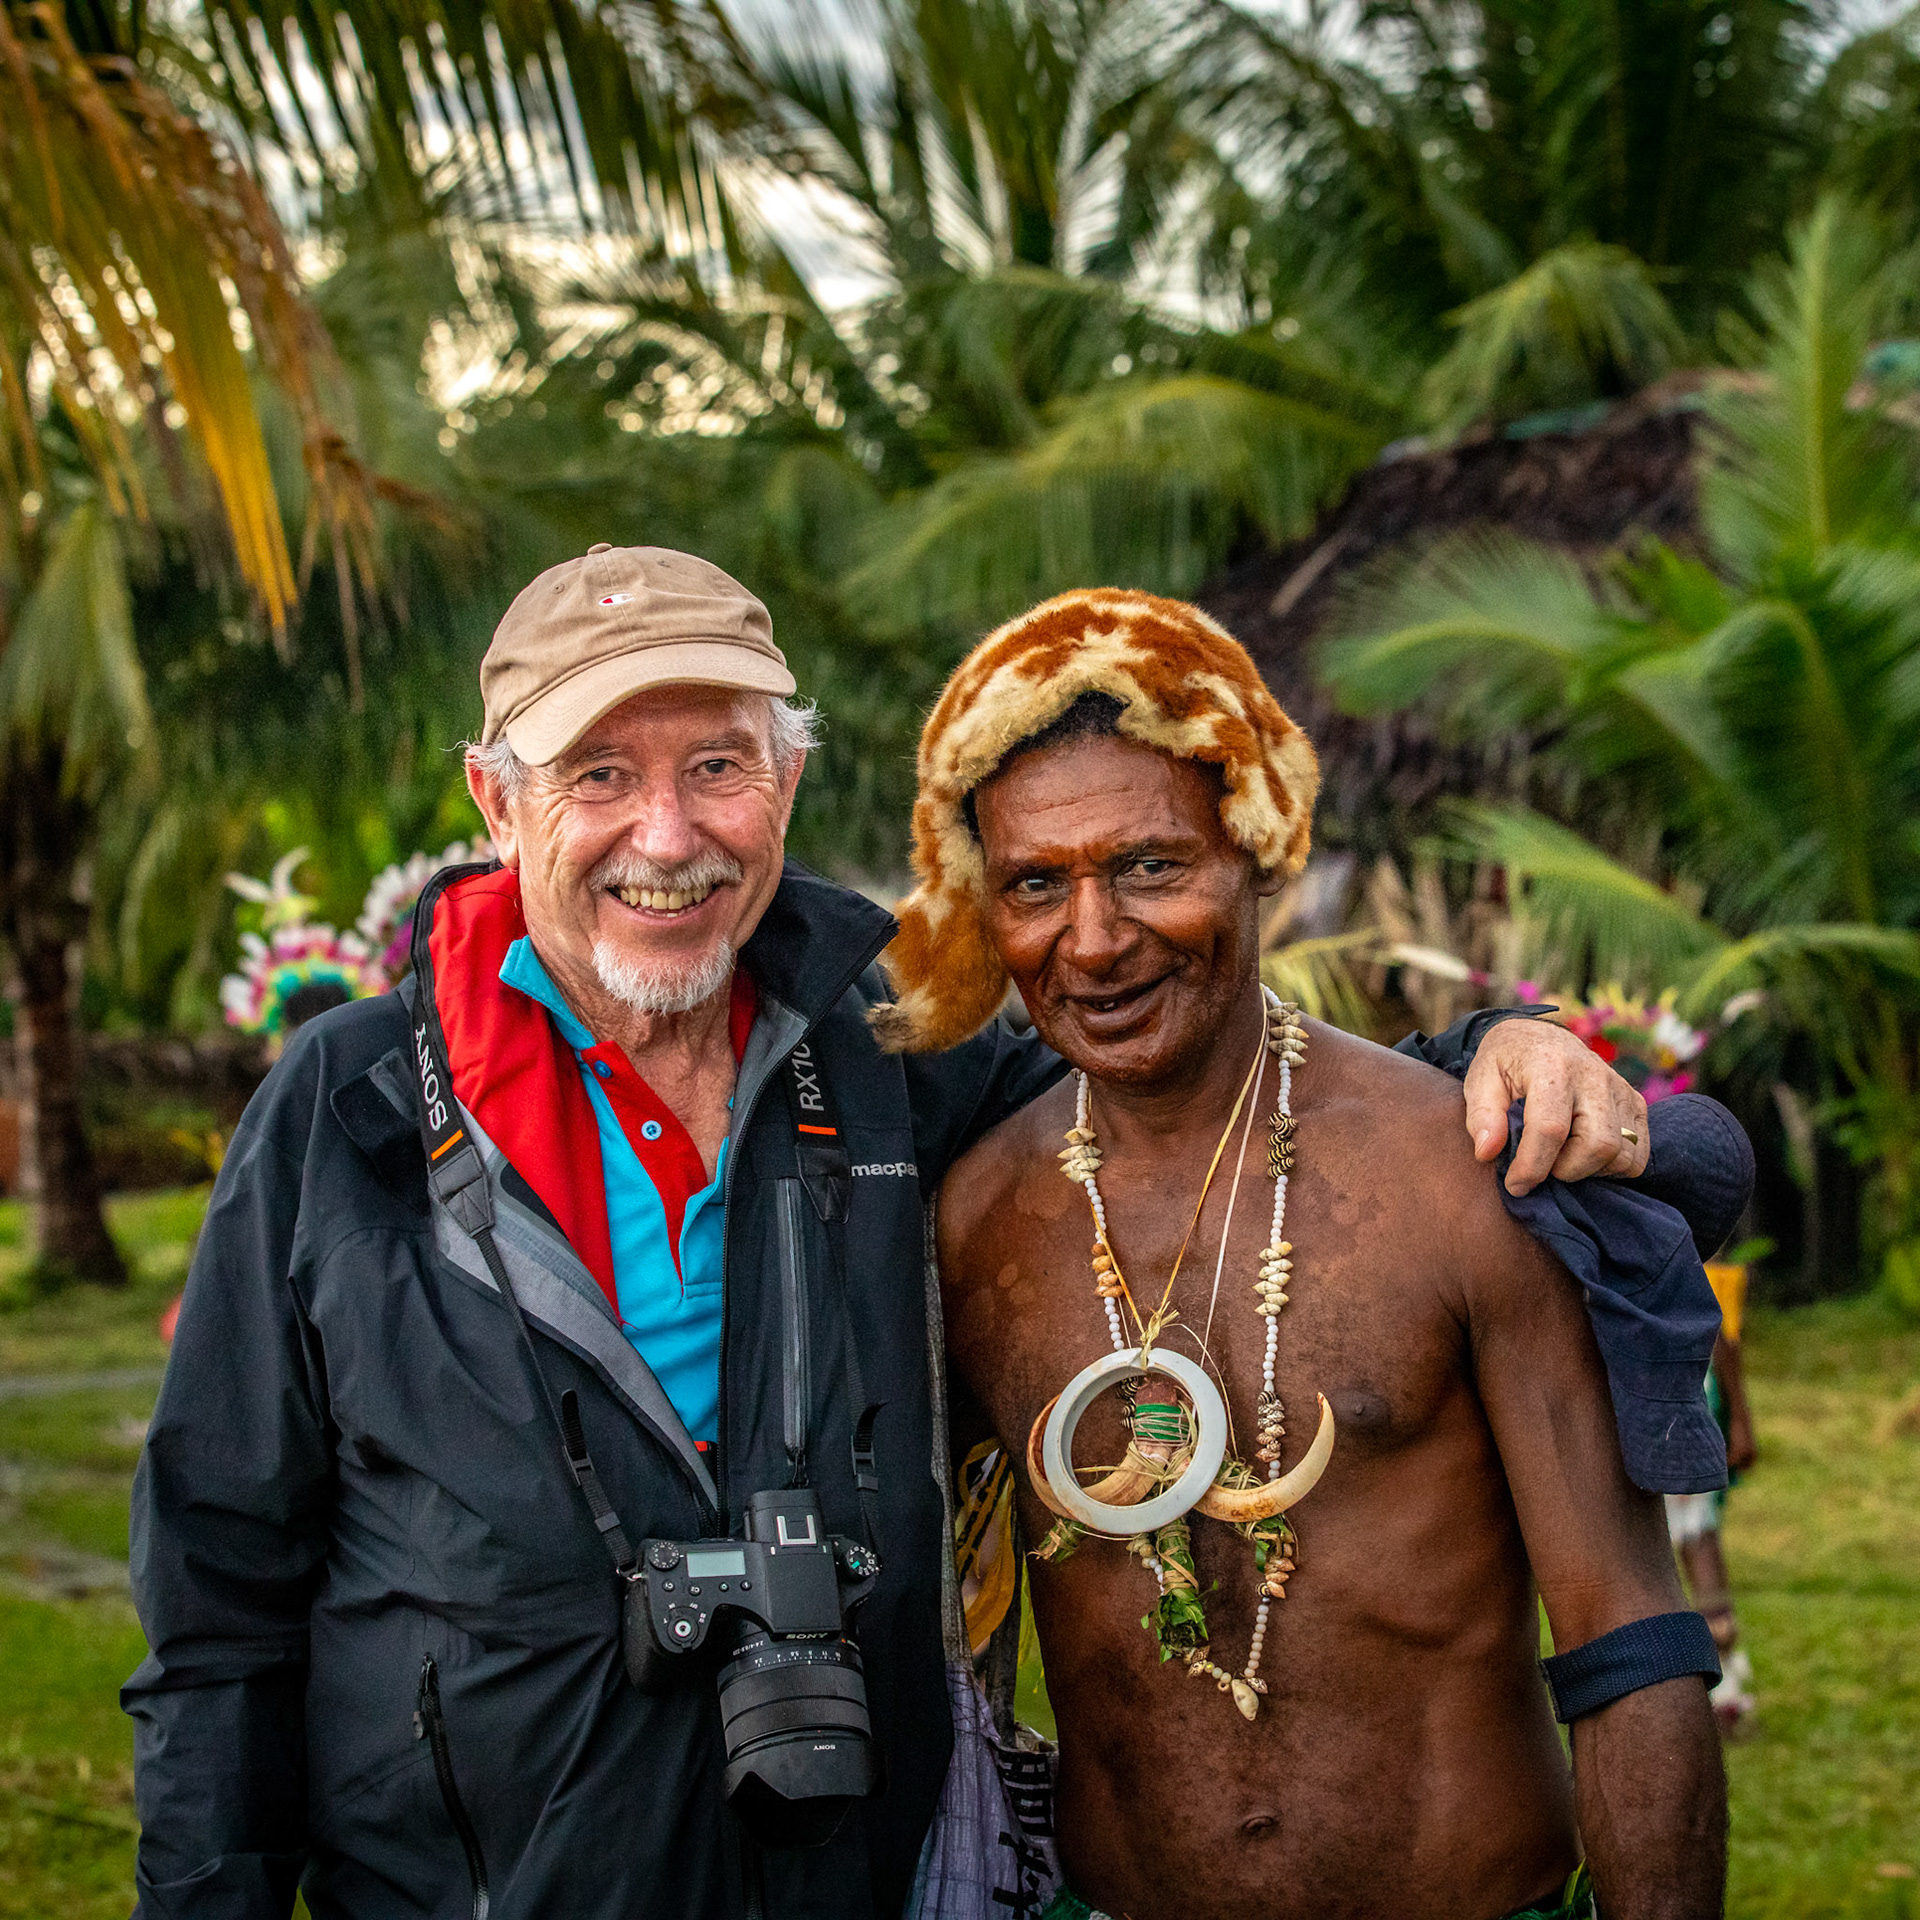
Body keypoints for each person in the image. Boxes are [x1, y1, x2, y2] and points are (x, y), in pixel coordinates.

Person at [125, 550, 1716, 1920]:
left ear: (788, 785)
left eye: (717, 766)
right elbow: (217, 1604)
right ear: (496, 799)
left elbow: (1200, 1073)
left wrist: (1514, 1049)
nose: (665, 835)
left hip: (830, 1872)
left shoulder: (889, 1066)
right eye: (599, 773)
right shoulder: (351, 1111)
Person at [913, 590, 1737, 1920]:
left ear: (1261, 849)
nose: (1094, 938)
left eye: (1148, 866)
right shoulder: (971, 1225)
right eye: (1033, 886)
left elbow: (1629, 1640)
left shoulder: (1461, 1177)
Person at [1667, 1258, 1760, 1733]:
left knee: (1695, 1538)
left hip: (1675, 1419)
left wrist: (1739, 1420)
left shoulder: (1668, 1249)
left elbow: (1721, 1337)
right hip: (1656, 1416)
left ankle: (1725, 1690)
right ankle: (1723, 1666)